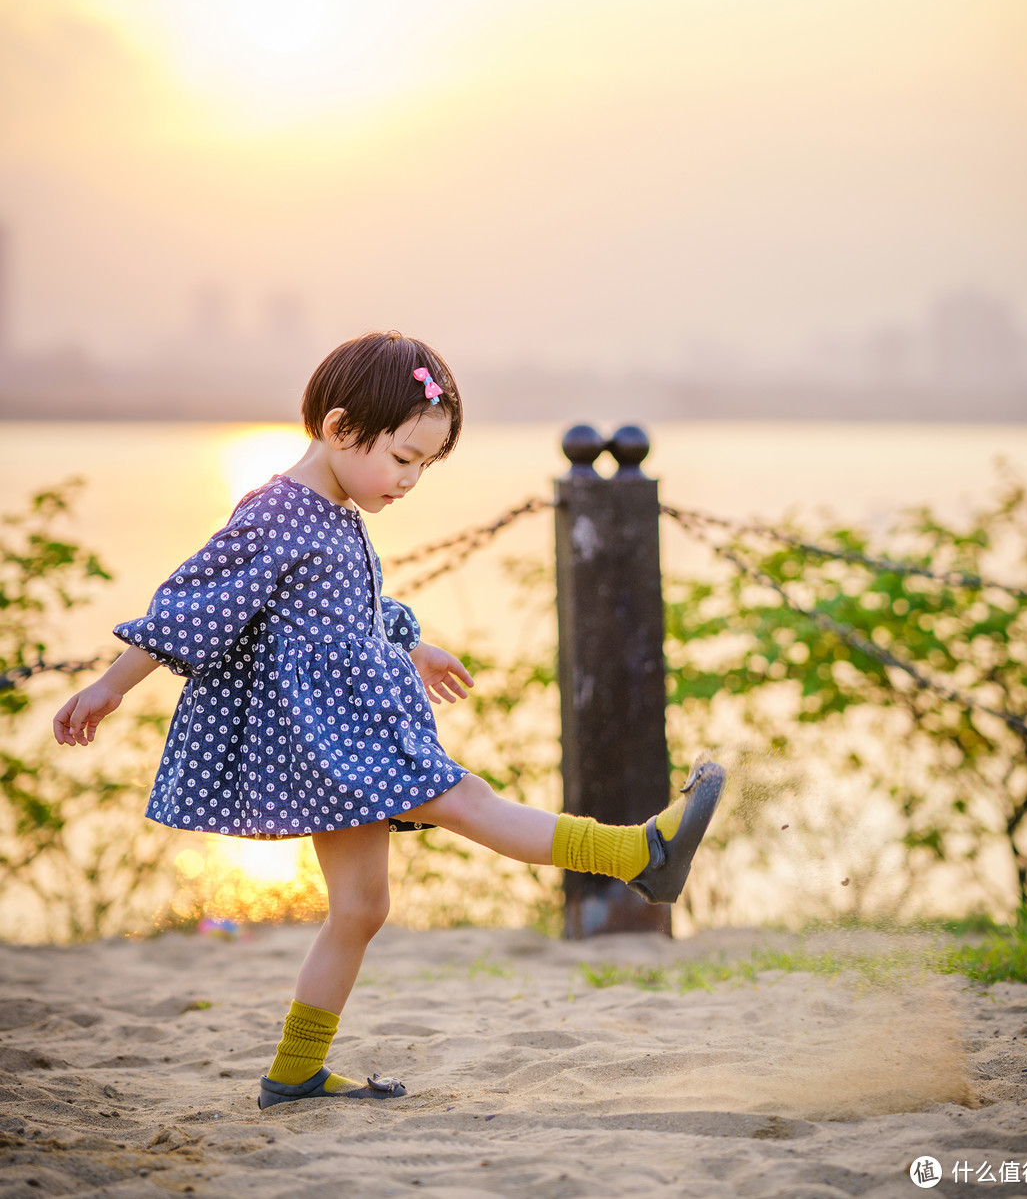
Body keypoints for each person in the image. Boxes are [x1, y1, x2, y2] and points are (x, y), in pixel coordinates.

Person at [53, 332, 725, 1109]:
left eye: (423, 466)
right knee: (467, 797)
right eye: (403, 459)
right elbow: (191, 608)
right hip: (335, 742)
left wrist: (413, 645)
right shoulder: (276, 512)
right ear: (340, 429)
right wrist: (111, 685)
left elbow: (342, 615)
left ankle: (296, 1072)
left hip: (343, 737)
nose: (409, 480)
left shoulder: (336, 511)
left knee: (364, 910)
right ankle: (639, 854)